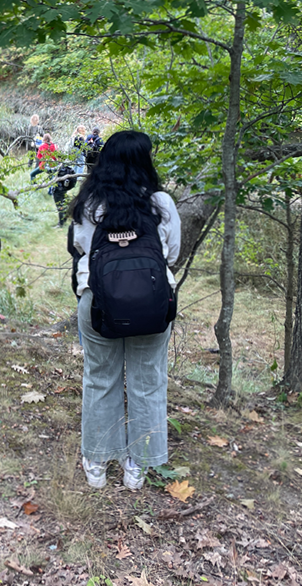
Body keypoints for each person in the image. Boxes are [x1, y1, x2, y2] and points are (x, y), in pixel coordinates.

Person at [70, 130, 180, 490]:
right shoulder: (161, 202)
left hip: (98, 302)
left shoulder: (89, 203)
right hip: (152, 305)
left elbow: (79, 247)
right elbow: (172, 254)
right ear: (144, 161)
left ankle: (98, 461)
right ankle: (139, 464)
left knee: (101, 377)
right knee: (148, 381)